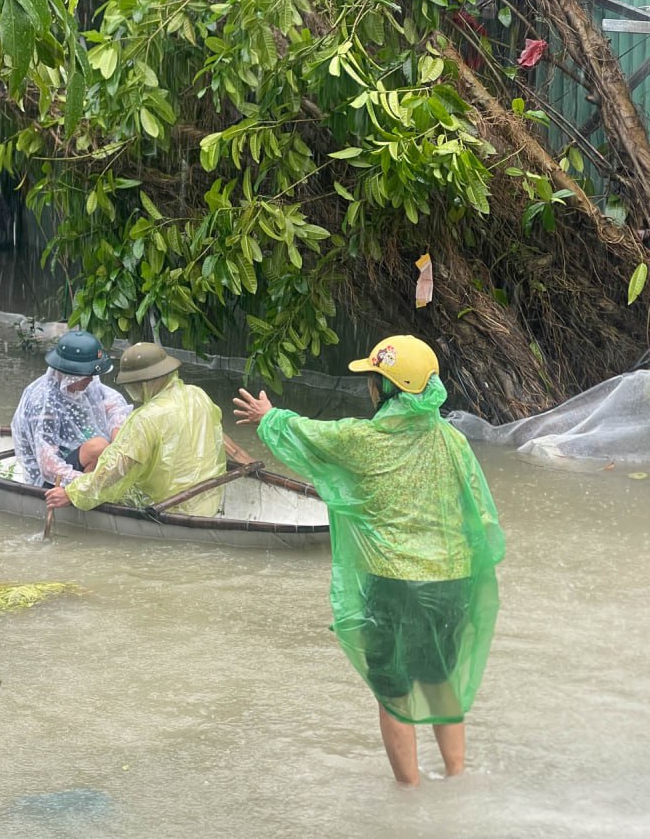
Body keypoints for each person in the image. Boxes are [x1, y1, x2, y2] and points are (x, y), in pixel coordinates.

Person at [231, 335, 505, 785]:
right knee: (440, 681)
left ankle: (409, 799)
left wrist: (268, 416)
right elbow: (480, 512)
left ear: (389, 388)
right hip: (452, 584)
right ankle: (458, 779)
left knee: (392, 692)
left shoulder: (364, 439)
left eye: (375, 380)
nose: (370, 388)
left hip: (393, 587)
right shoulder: (453, 441)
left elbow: (308, 437)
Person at [45, 342, 230, 515]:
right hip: (209, 500)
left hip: (168, 507)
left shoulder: (146, 418)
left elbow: (114, 471)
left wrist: (72, 493)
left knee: (106, 485)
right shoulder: (198, 395)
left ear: (143, 382)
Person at [12, 330, 132, 488]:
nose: (90, 378)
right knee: (98, 447)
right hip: (52, 480)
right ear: (69, 373)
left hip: (79, 458)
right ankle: (89, 501)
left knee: (125, 441)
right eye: (86, 374)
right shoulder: (43, 404)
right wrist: (87, 485)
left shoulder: (87, 383)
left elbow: (114, 405)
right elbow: (49, 467)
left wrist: (119, 441)